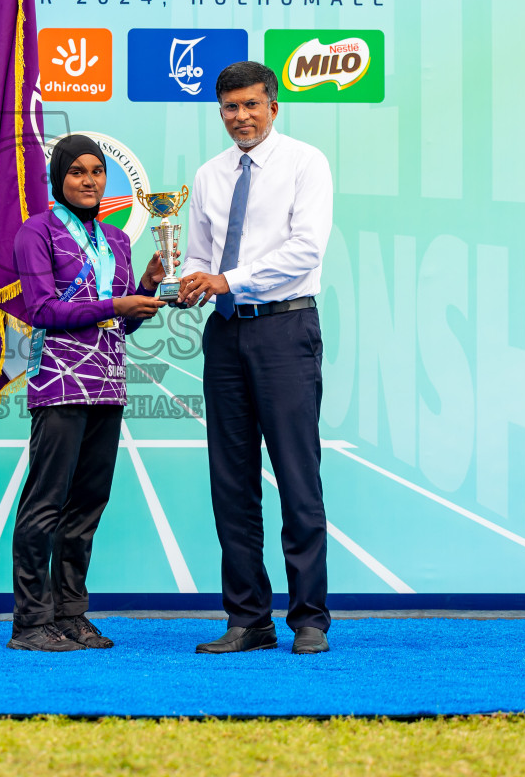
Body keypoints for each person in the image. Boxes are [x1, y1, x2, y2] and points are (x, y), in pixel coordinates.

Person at [177, 61, 334, 655]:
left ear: (273, 105)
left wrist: (227, 279)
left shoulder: (305, 162)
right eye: (228, 108)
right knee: (231, 482)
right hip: (224, 336)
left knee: (297, 476)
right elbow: (197, 254)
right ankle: (248, 619)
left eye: (250, 105)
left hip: (285, 330)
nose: (240, 117)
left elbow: (305, 250)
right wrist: (190, 282)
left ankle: (310, 619)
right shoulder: (208, 175)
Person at [7, 134, 167, 651]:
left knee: (88, 503)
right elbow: (43, 311)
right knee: (46, 503)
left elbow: (118, 326)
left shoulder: (117, 242)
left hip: (108, 382)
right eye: (76, 171)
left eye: (97, 171)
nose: (89, 180)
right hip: (58, 382)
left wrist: (143, 291)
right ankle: (31, 623)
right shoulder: (38, 233)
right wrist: (118, 306)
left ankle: (71, 615)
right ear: (59, 178)